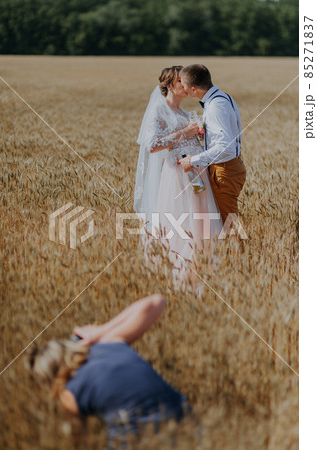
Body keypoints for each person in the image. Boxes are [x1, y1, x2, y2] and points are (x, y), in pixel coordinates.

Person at [26, 294, 191, 447]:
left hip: (139, 443)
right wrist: (101, 331)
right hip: (188, 424)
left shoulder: (68, 393)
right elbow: (157, 301)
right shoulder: (109, 343)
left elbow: (79, 440)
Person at [133, 66, 222, 284]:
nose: (186, 85)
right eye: (180, 81)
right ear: (170, 85)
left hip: (195, 173)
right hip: (177, 175)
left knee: (200, 221)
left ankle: (199, 270)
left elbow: (187, 140)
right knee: (180, 220)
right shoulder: (158, 109)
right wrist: (185, 133)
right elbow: (152, 144)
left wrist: (197, 134)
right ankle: (177, 271)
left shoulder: (183, 112)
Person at [179, 64, 247, 225]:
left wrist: (192, 160)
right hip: (229, 168)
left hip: (224, 171)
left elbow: (225, 147)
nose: (182, 88)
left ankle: (239, 251)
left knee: (228, 225)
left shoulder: (216, 106)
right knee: (226, 223)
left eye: (184, 85)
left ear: (194, 89)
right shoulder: (222, 97)